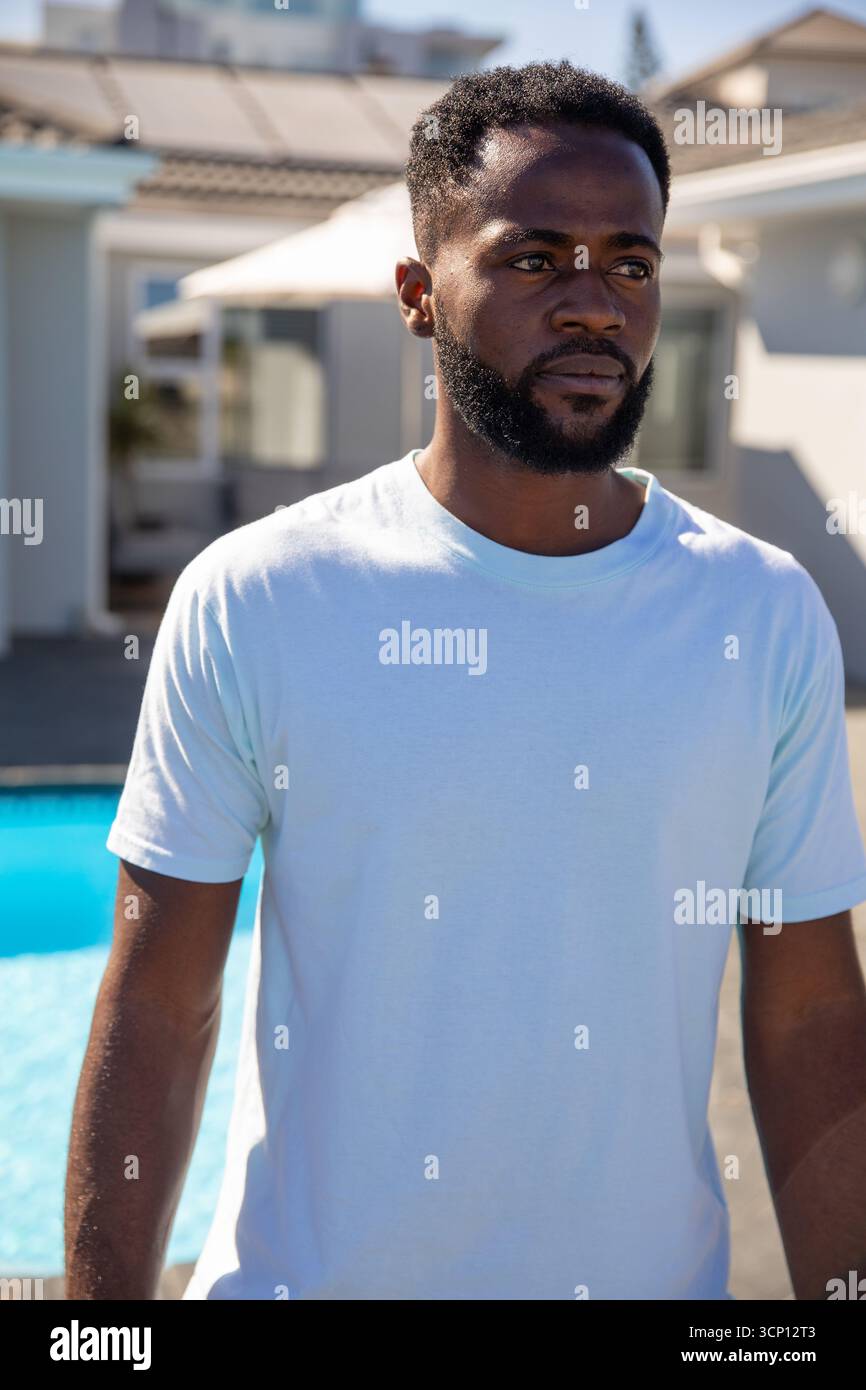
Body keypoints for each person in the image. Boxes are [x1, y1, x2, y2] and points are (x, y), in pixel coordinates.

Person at [66, 61, 866, 1301]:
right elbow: (162, 1000)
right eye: (535, 258)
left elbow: (809, 1016)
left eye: (631, 262)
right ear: (415, 295)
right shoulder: (261, 597)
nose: (595, 304)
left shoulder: (756, 617)